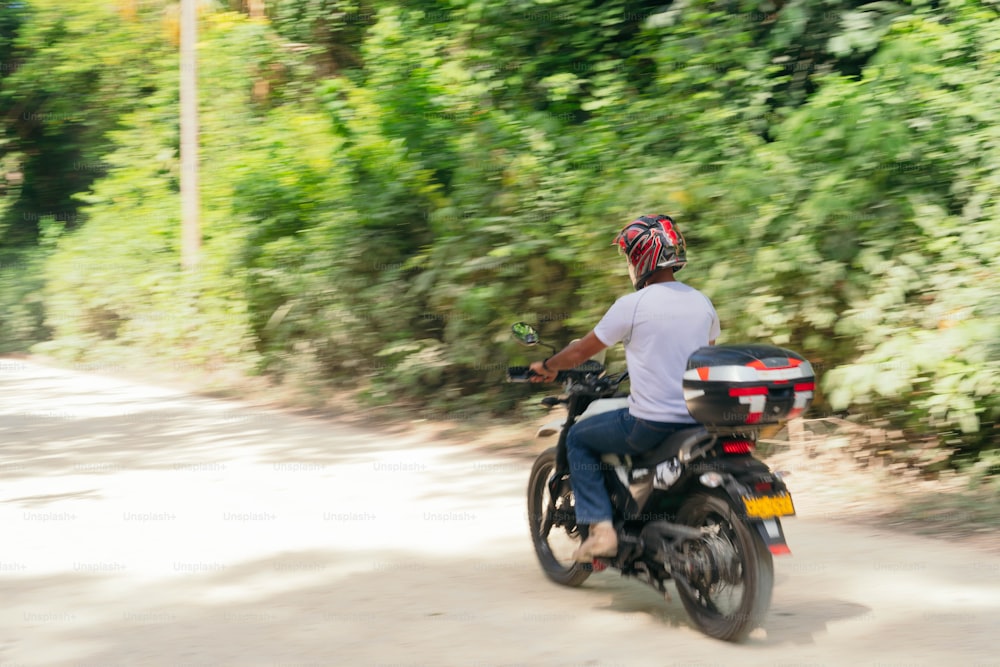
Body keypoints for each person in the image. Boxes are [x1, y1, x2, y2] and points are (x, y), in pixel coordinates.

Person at [528, 214, 719, 562]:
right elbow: (702, 352)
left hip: (651, 424)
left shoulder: (633, 305)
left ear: (640, 259)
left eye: (629, 257)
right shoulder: (702, 302)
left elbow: (581, 352)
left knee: (577, 438)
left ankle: (601, 532)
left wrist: (547, 366)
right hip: (698, 421)